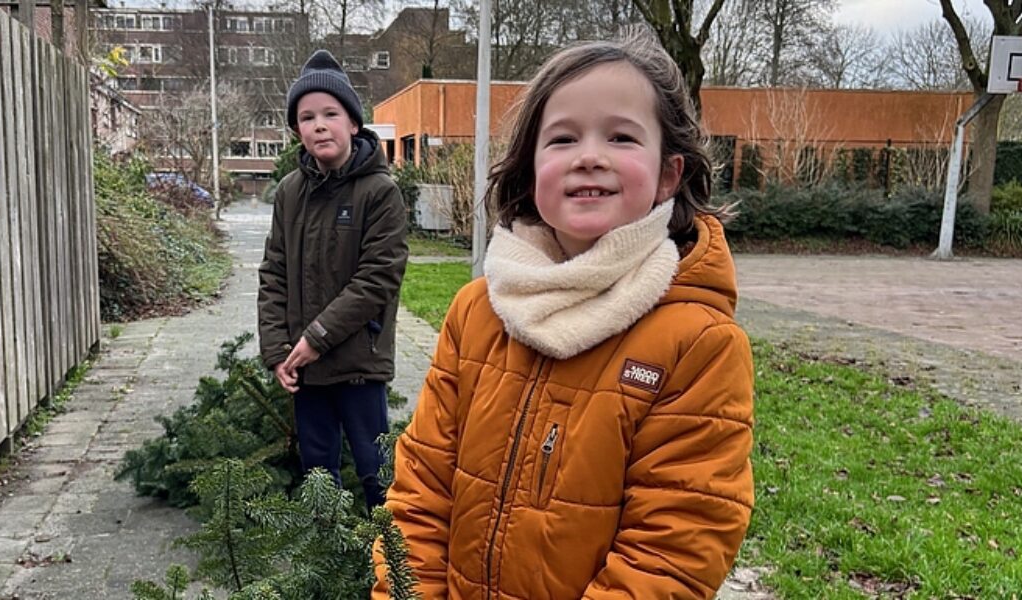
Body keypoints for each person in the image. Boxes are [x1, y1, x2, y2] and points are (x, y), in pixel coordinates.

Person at [375, 27, 754, 599]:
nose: (590, 158)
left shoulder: (699, 343)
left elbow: (673, 551)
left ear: (668, 174)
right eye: (563, 139)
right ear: (530, 170)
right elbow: (421, 491)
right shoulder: (476, 312)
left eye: (623, 137)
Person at [257, 49, 408, 511]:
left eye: (330, 114)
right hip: (305, 369)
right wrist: (278, 351)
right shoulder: (289, 193)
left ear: (354, 124)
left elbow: (376, 278)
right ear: (297, 131)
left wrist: (317, 337)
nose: (319, 125)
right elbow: (274, 273)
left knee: (375, 472)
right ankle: (328, 560)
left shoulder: (380, 192)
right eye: (307, 117)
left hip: (359, 364)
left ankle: (389, 565)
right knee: (318, 475)